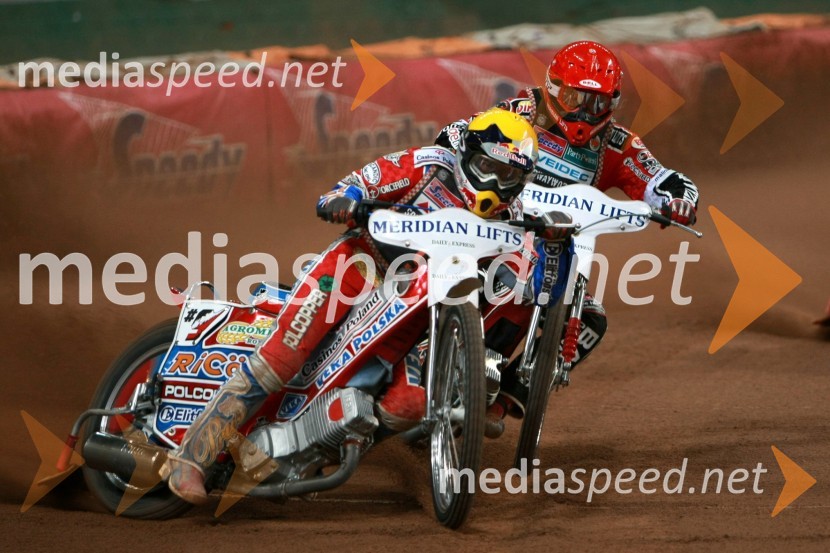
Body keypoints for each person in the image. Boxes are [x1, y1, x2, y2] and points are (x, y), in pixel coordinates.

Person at [163, 108, 548, 504]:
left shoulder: (514, 218)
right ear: (466, 153)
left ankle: (311, 452)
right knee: (284, 355)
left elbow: (525, 280)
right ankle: (192, 455)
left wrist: (544, 259)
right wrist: (346, 202)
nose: (494, 183)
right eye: (487, 167)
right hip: (358, 267)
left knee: (410, 404)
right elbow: (352, 186)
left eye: (508, 176)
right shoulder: (427, 166)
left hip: (415, 314)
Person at [436, 40, 700, 434]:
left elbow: (662, 179)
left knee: (592, 319)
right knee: (499, 276)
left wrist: (678, 200)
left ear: (612, 103)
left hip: (555, 249)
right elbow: (457, 134)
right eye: (576, 98)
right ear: (554, 88)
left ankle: (506, 396)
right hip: (492, 230)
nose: (584, 112)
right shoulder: (521, 112)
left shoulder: (616, 144)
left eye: (597, 103)